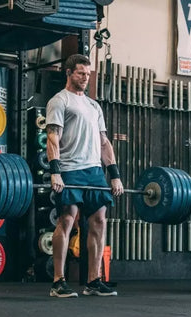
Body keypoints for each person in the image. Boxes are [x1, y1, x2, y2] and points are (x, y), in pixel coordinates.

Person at [46, 54, 124, 298]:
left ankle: (93, 280)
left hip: (93, 171)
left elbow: (104, 143)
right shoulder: (59, 101)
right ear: (69, 73)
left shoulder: (93, 106)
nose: (85, 77)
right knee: (67, 219)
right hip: (69, 169)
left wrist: (114, 175)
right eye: (81, 73)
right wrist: (55, 171)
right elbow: (52, 137)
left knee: (100, 220)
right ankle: (58, 281)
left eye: (88, 74)